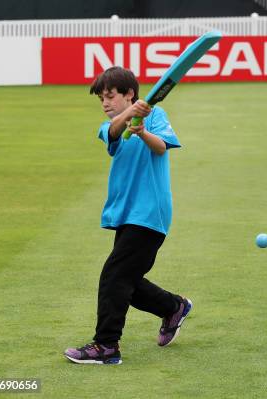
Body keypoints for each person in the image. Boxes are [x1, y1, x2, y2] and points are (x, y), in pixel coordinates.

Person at [64, 66, 192, 365]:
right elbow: (112, 132)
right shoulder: (110, 126)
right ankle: (173, 307)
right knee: (126, 282)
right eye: (101, 99)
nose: (105, 103)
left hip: (150, 214)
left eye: (110, 96)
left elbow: (161, 149)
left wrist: (143, 129)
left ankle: (106, 346)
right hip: (126, 214)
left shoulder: (156, 116)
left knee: (115, 276)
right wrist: (129, 116)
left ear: (129, 94)